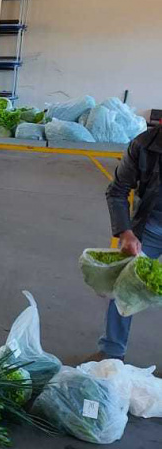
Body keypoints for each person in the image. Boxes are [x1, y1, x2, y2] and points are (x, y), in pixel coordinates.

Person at [84, 126, 162, 363]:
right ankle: (111, 352)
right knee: (124, 287)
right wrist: (126, 233)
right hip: (149, 227)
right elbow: (118, 190)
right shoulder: (143, 145)